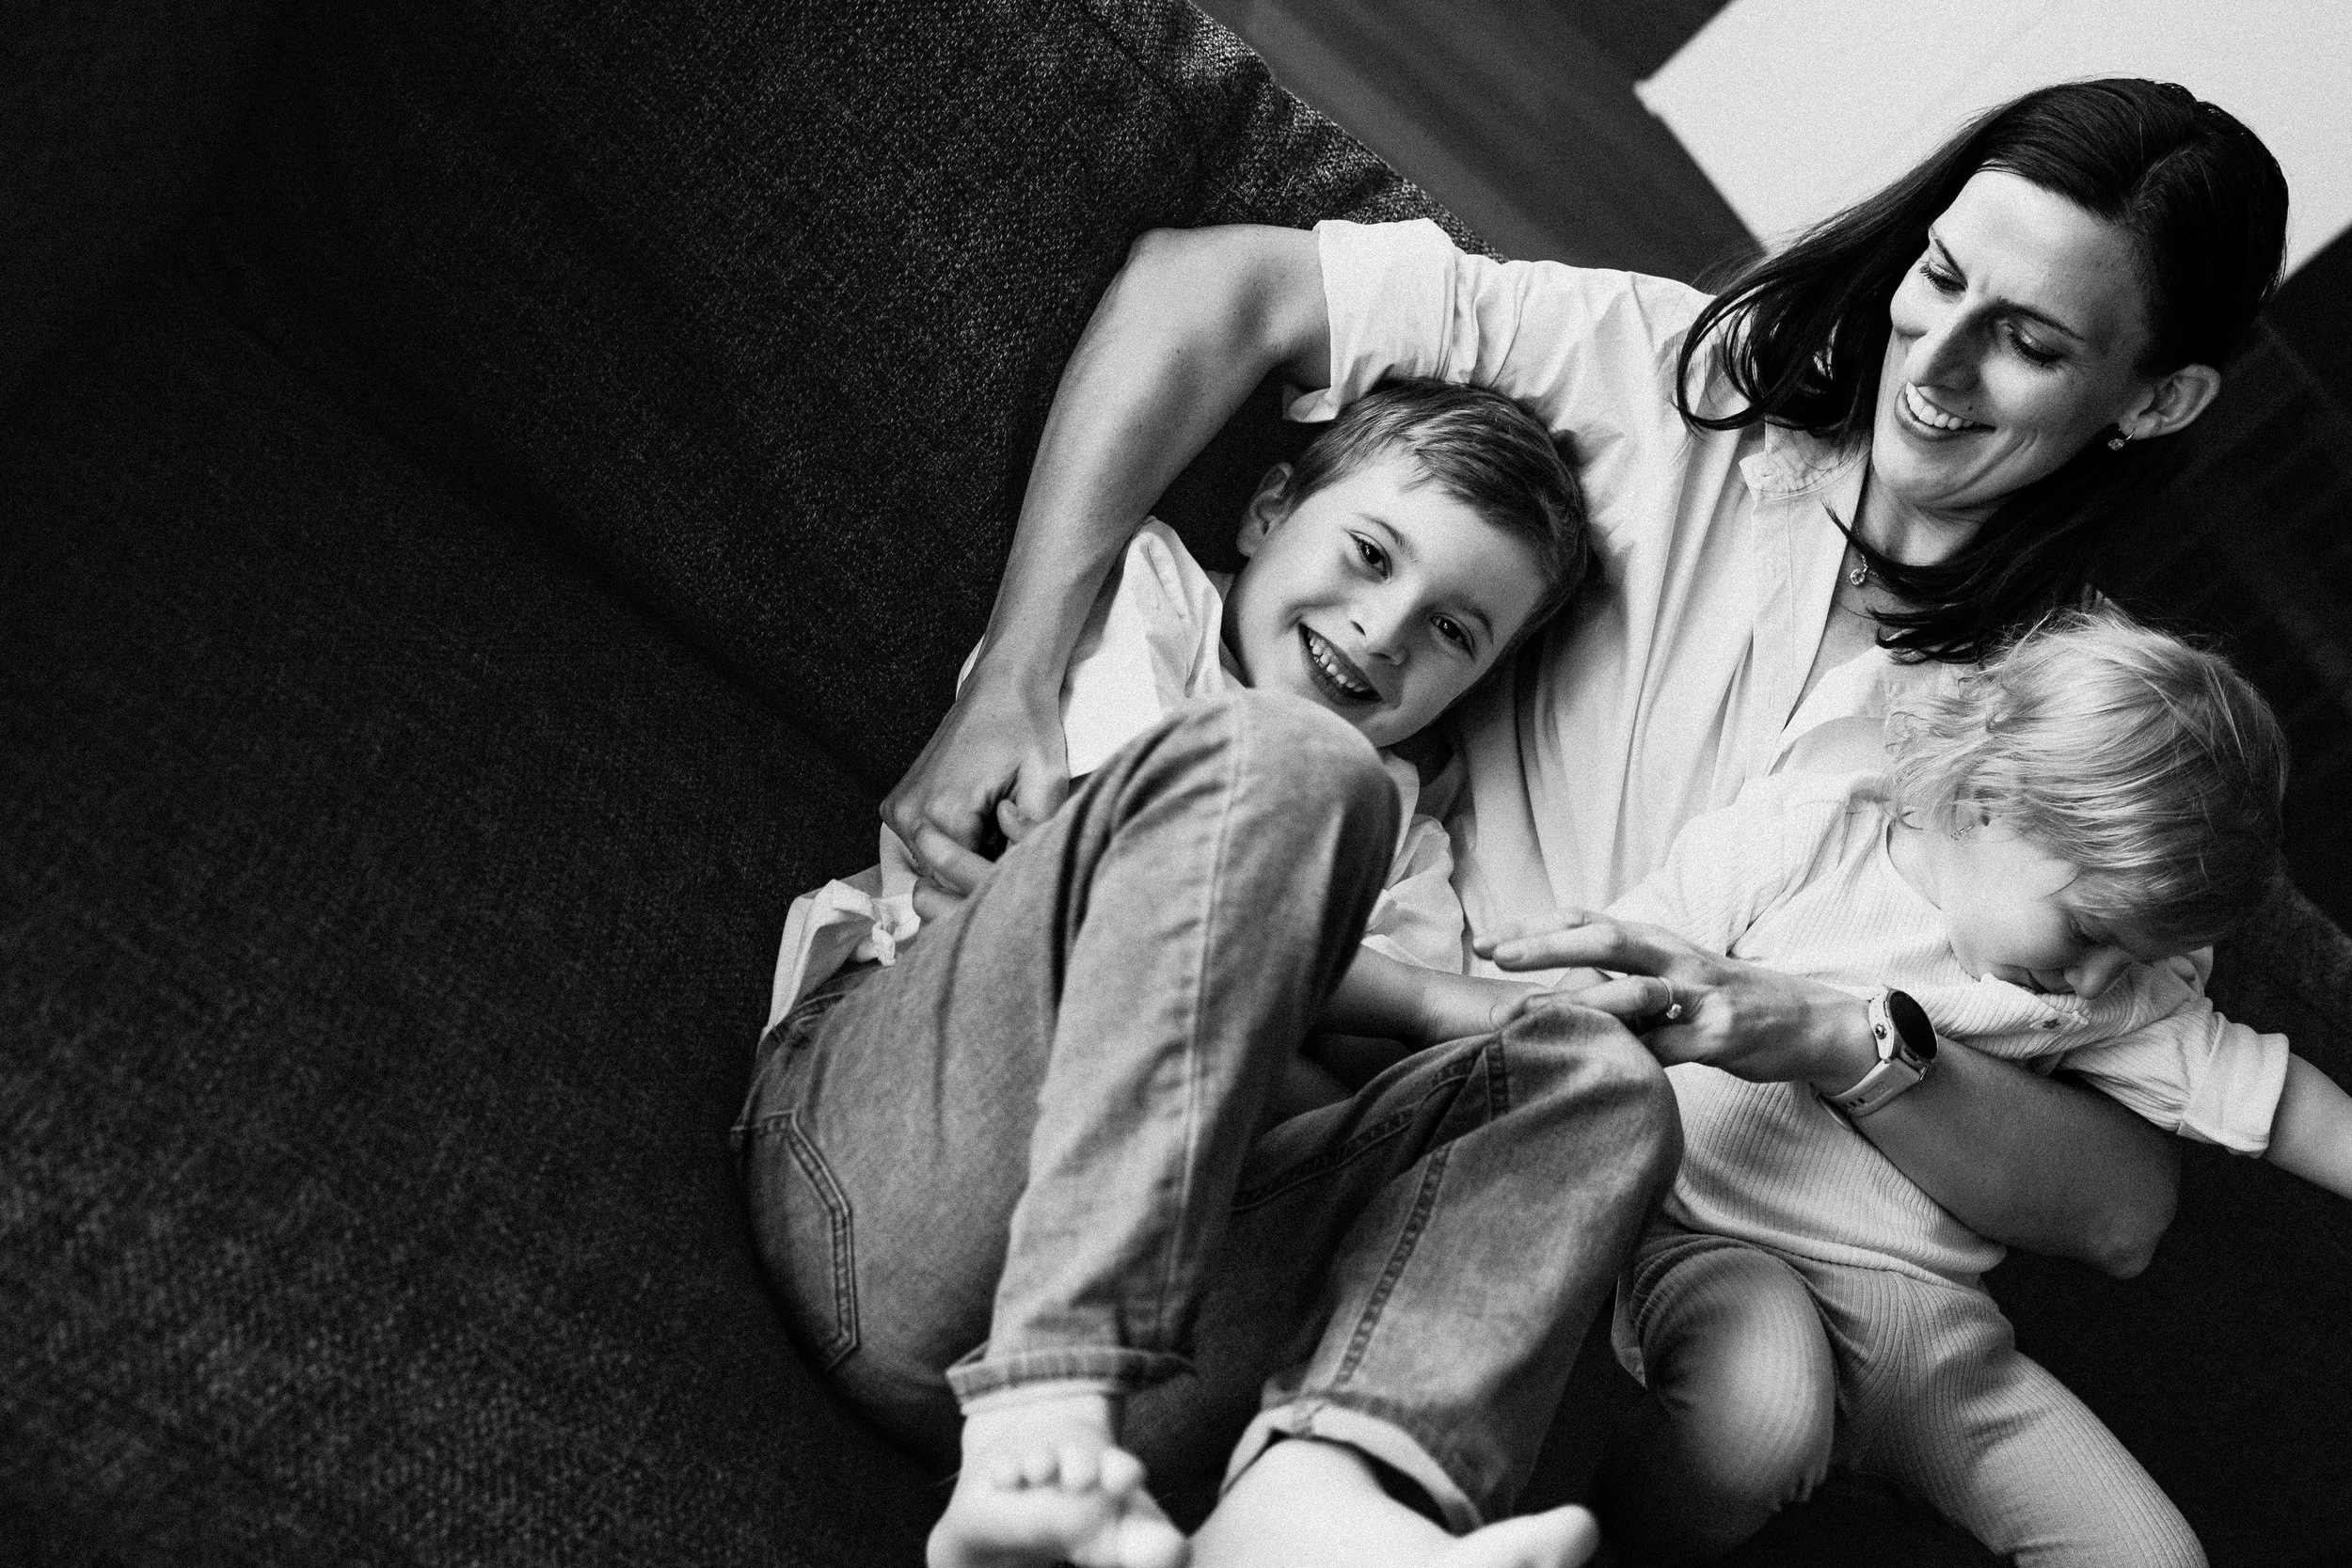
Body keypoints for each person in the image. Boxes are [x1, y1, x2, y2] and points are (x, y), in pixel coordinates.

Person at [886, 78, 2292, 1334]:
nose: (1932, 364)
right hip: (1369, 1059)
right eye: (1939, 276)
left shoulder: (2081, 723)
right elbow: (1211, 288)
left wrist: (1831, 1034)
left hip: (1664, 1260)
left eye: (2030, 343)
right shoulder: (1666, 378)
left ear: (2156, 402)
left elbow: (2122, 1207)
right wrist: (1011, 675)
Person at [738, 378, 1682, 1568]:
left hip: (1171, 1371)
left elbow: (1305, 1087)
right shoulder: (1142, 601)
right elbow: (1088, 872)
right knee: (1293, 770)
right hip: (887, 1194)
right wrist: (1424, 1002)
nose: (1385, 629)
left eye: (1453, 630)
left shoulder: (1413, 845)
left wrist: (1280, 1015)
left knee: (1595, 1076)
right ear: (1267, 508)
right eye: (1371, 552)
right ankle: (1046, 1398)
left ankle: (1316, 1486)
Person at [1520, 606, 2352, 1566]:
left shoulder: (2108, 998)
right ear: (1984, 798)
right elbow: (1605, 979)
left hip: (1926, 1323)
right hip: (1712, 1233)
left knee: (2155, 1555)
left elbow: (2289, 1107)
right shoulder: (1808, 839)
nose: (2095, 982)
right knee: (1765, 1415)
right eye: (2086, 931)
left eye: (2137, 955)